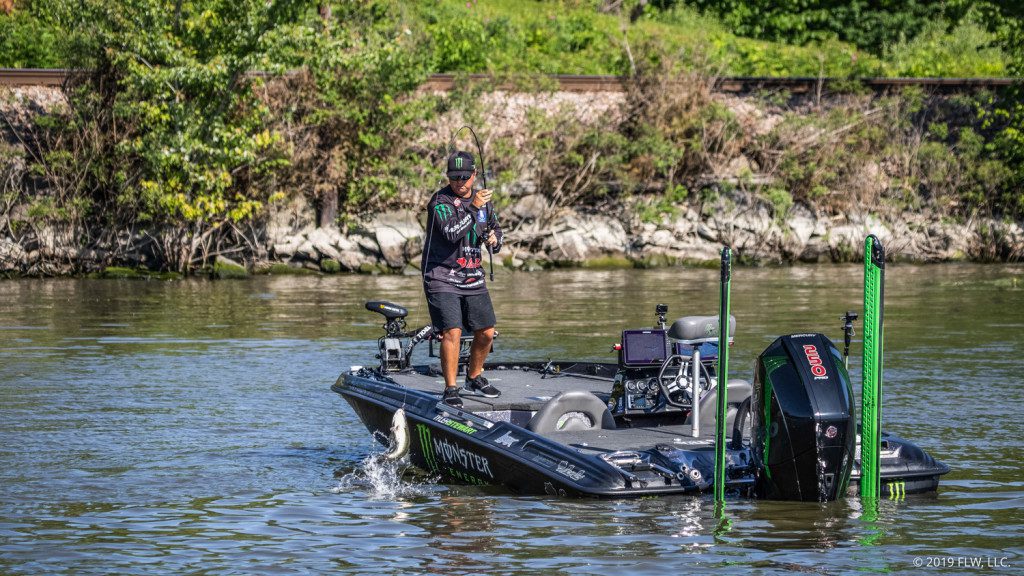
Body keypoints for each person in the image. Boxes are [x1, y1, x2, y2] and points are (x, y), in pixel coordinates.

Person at [421, 150, 503, 408]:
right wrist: (474, 206)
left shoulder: (484, 203)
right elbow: (451, 232)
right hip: (441, 275)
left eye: (465, 177)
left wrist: (495, 240)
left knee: (486, 332)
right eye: (454, 177)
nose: (460, 182)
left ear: (474, 174)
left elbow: (495, 229)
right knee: (452, 331)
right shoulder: (440, 202)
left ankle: (474, 377)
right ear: (448, 176)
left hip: (473, 275)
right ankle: (450, 388)